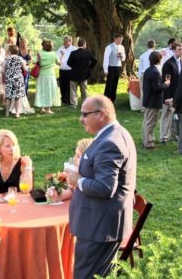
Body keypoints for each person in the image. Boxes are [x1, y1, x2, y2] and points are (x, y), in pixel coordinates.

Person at [66, 95, 137, 279]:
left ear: (102, 114)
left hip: (98, 227)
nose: (81, 119)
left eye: (84, 114)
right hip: (101, 224)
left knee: (85, 276)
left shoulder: (110, 143)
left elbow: (105, 187)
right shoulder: (114, 134)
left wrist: (78, 180)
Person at [0, 129, 33, 194]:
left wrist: (28, 166)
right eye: (7, 146)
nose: (12, 149)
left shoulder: (22, 162)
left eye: (13, 145)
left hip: (17, 201)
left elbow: (26, 190)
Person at [142, 51, 170, 149]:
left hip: (148, 99)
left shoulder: (148, 70)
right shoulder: (156, 72)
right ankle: (148, 142)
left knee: (147, 121)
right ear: (159, 60)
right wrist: (165, 85)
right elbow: (156, 88)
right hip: (153, 101)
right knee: (151, 122)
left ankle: (145, 139)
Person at [160, 41, 182, 143]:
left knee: (176, 115)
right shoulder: (168, 64)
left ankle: (174, 135)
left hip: (178, 94)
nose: (181, 51)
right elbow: (166, 81)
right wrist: (167, 97)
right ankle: (163, 137)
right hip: (170, 94)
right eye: (179, 49)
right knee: (166, 115)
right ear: (173, 50)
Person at [67, 37, 97, 108]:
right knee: (84, 90)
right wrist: (89, 67)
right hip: (84, 74)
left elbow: (68, 63)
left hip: (74, 73)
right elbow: (95, 61)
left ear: (78, 44)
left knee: (73, 90)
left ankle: (74, 104)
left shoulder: (73, 53)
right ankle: (85, 104)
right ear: (84, 45)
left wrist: (74, 67)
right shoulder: (88, 53)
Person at [34, 39, 61, 114]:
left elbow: (34, 61)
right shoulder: (54, 54)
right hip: (51, 75)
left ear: (43, 46)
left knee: (42, 91)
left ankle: (42, 108)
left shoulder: (40, 53)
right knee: (49, 91)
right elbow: (59, 63)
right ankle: (48, 109)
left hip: (42, 75)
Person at [3, 45, 27, 118]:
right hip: (18, 79)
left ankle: (7, 113)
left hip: (9, 79)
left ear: (10, 51)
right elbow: (25, 69)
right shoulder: (20, 58)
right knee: (17, 97)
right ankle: (17, 113)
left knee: (8, 97)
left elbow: (2, 70)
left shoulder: (6, 59)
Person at [103, 33, 126, 103]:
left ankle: (113, 99)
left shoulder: (122, 47)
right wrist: (105, 69)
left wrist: (121, 56)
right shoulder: (109, 47)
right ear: (115, 39)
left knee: (115, 83)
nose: (120, 41)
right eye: (119, 40)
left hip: (118, 67)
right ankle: (107, 99)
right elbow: (106, 59)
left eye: (121, 40)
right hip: (111, 67)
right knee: (109, 83)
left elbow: (124, 59)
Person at [56, 35, 77, 105]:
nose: (64, 43)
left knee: (69, 86)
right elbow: (57, 57)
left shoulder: (74, 49)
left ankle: (69, 100)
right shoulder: (60, 48)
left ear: (70, 41)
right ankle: (64, 99)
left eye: (66, 41)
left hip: (70, 70)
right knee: (62, 85)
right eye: (64, 41)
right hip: (62, 70)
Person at [138, 40, 156, 106]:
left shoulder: (142, 55)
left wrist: (139, 76)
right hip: (154, 73)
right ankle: (152, 104)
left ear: (147, 46)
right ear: (154, 46)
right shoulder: (156, 55)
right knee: (153, 89)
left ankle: (143, 106)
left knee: (143, 90)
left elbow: (140, 67)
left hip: (144, 73)